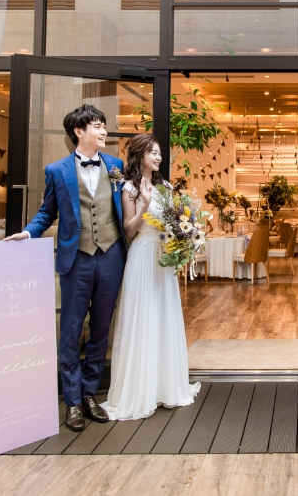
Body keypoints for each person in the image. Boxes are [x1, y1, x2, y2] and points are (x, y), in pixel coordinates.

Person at [5, 105, 126, 432]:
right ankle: (72, 400)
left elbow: (124, 208)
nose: (104, 131)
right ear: (79, 131)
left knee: (101, 328)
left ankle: (89, 394)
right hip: (77, 259)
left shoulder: (116, 166)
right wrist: (28, 233)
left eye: (104, 125)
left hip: (111, 256)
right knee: (71, 330)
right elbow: (47, 212)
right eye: (97, 126)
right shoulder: (57, 171)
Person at [101, 134, 199, 420]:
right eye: (153, 152)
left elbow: (173, 220)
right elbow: (130, 230)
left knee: (163, 316)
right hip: (142, 255)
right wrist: (143, 205)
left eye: (159, 153)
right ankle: (140, 390)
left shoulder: (165, 186)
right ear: (140, 155)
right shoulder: (130, 188)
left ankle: (164, 386)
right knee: (142, 317)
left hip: (162, 259)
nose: (158, 157)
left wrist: (185, 232)